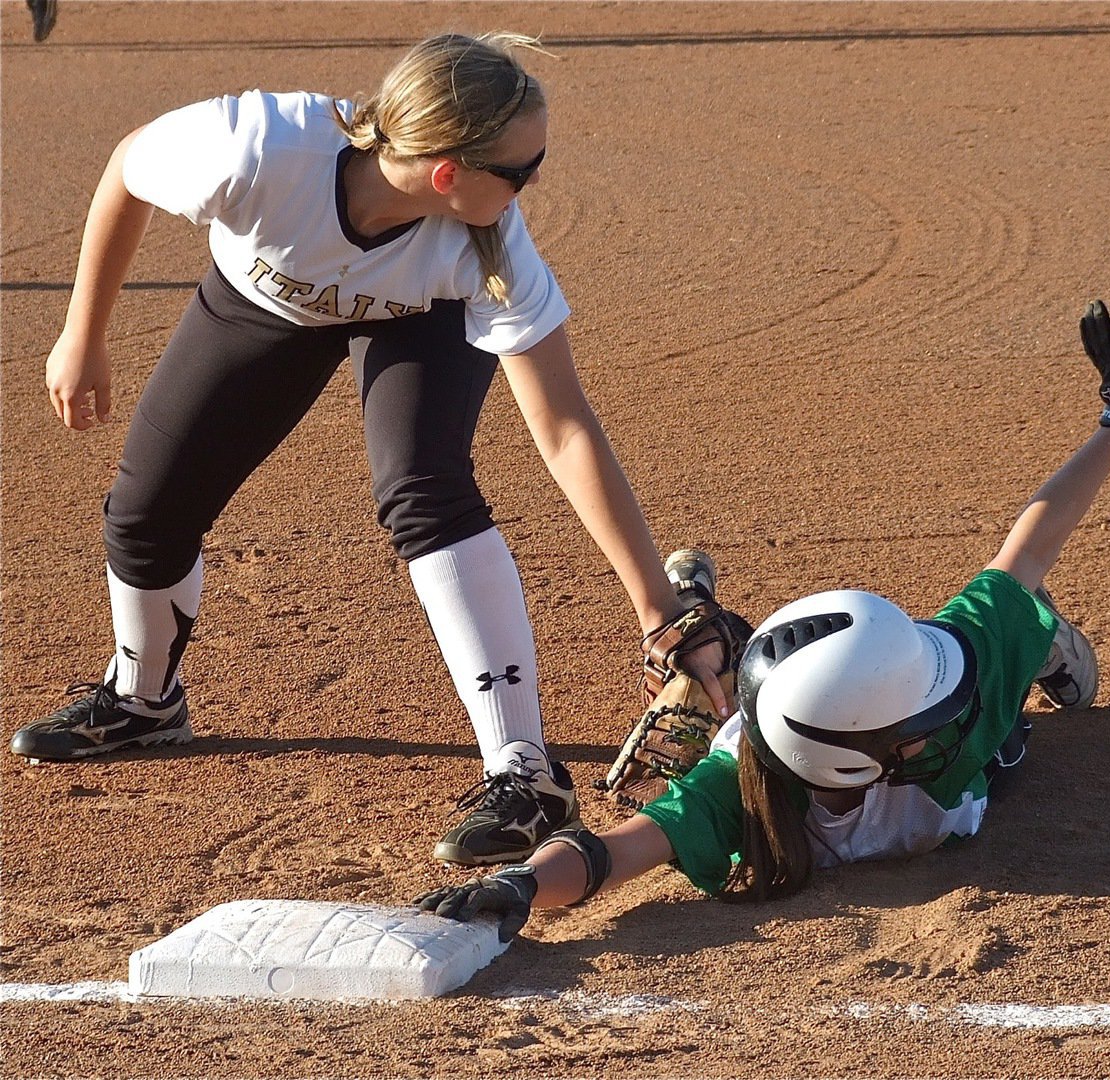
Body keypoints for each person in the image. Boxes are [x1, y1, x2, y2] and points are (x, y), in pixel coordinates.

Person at [8, 31, 729, 867]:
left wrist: (656, 609)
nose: (533, 184)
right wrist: (80, 334)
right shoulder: (255, 148)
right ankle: (143, 700)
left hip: (421, 319)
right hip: (262, 300)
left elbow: (563, 425)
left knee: (424, 489)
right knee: (145, 512)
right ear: (450, 172)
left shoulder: (484, 245)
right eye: (521, 171)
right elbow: (129, 165)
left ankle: (526, 774)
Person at [416, 299, 1110, 939]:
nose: (939, 712)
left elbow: (1025, 552)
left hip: (946, 722)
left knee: (1007, 663)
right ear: (854, 759)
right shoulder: (735, 794)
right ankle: (709, 643)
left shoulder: (939, 689)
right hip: (807, 734)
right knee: (705, 748)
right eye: (916, 723)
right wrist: (518, 885)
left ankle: (1035, 640)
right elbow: (610, 852)